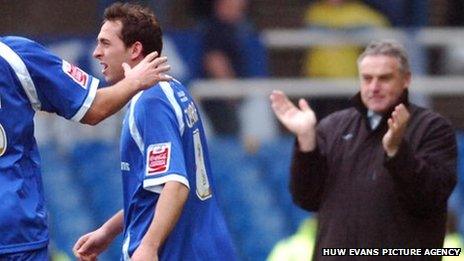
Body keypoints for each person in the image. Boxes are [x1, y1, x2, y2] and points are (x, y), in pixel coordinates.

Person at [73, 3, 236, 260]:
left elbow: (176, 185)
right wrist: (108, 230)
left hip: (175, 253)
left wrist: (148, 246)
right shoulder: (174, 90)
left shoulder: (150, 102)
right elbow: (154, 191)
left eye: (105, 43)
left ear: (135, 49)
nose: (96, 53)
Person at [270, 40, 457, 260]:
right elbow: (307, 198)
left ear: (406, 79)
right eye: (367, 78)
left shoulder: (433, 128)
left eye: (384, 78)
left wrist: (397, 153)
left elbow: (430, 197)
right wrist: (306, 141)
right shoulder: (332, 127)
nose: (374, 87)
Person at [0, 33, 169, 260]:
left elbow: (93, 108)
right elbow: (94, 109)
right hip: (17, 236)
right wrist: (134, 81)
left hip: (17, 237)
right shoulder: (14, 54)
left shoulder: (14, 57)